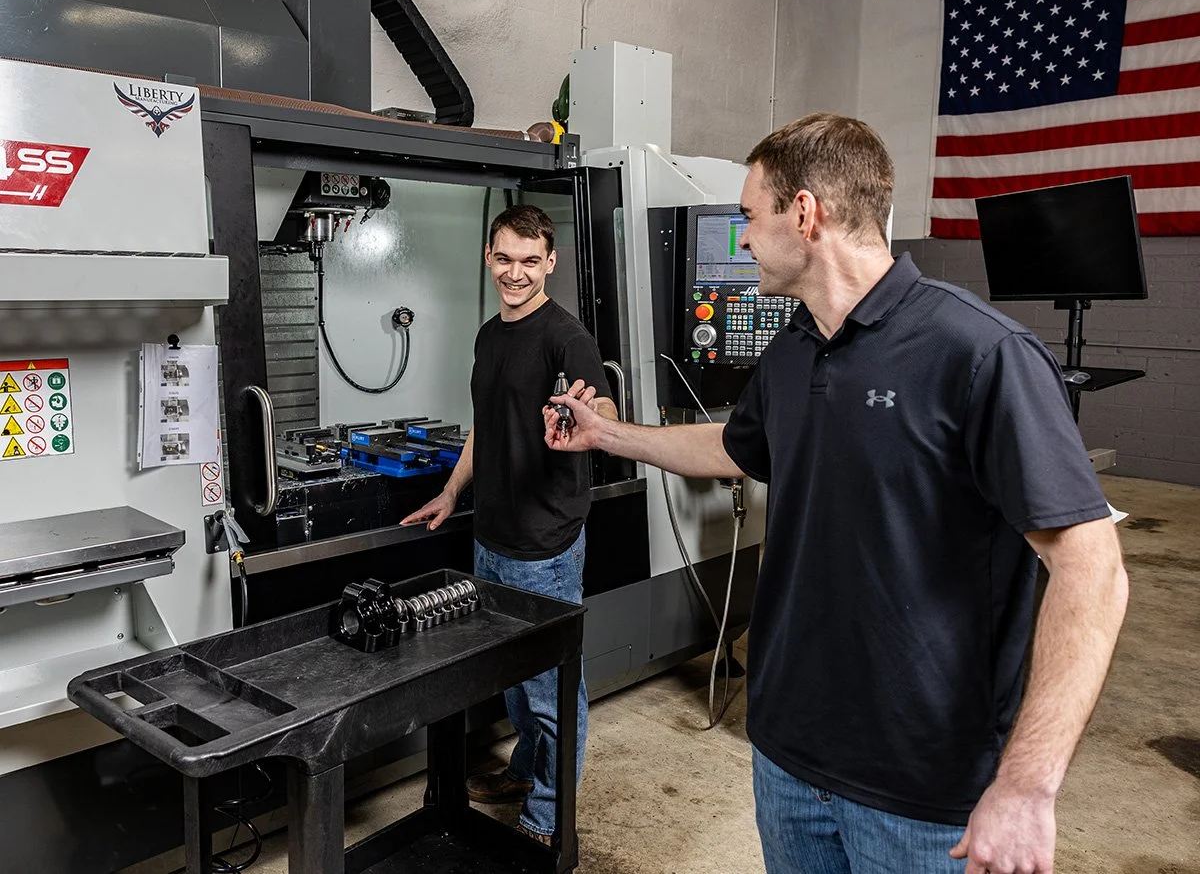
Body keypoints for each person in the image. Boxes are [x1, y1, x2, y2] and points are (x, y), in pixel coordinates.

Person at [543, 114, 1128, 874]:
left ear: (806, 213)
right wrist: (607, 436)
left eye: (751, 216)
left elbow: (1092, 568)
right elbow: (735, 448)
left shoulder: (981, 354)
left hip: (923, 791)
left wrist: (1025, 786)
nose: (743, 238)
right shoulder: (791, 351)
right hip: (788, 758)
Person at [402, 204, 617, 845]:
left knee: (551, 688)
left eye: (530, 261)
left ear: (551, 263)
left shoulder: (565, 337)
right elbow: (484, 428)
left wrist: (589, 415)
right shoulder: (490, 335)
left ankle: (551, 815)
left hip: (545, 542)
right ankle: (527, 770)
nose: (515, 273)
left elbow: (600, 403)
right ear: (489, 259)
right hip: (491, 536)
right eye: (504, 259)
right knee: (515, 685)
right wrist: (450, 492)